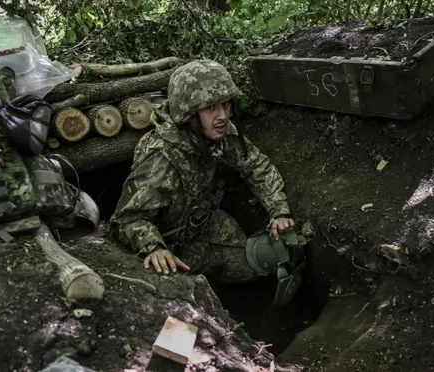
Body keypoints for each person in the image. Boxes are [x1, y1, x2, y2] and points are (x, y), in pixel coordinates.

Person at [108, 59, 311, 306]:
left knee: (256, 265)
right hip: (167, 245)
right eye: (211, 108)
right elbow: (127, 218)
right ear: (189, 115)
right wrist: (153, 247)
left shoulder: (218, 135)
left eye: (225, 105)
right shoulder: (161, 159)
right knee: (178, 297)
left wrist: (278, 210)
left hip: (203, 226)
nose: (223, 116)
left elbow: (257, 166)